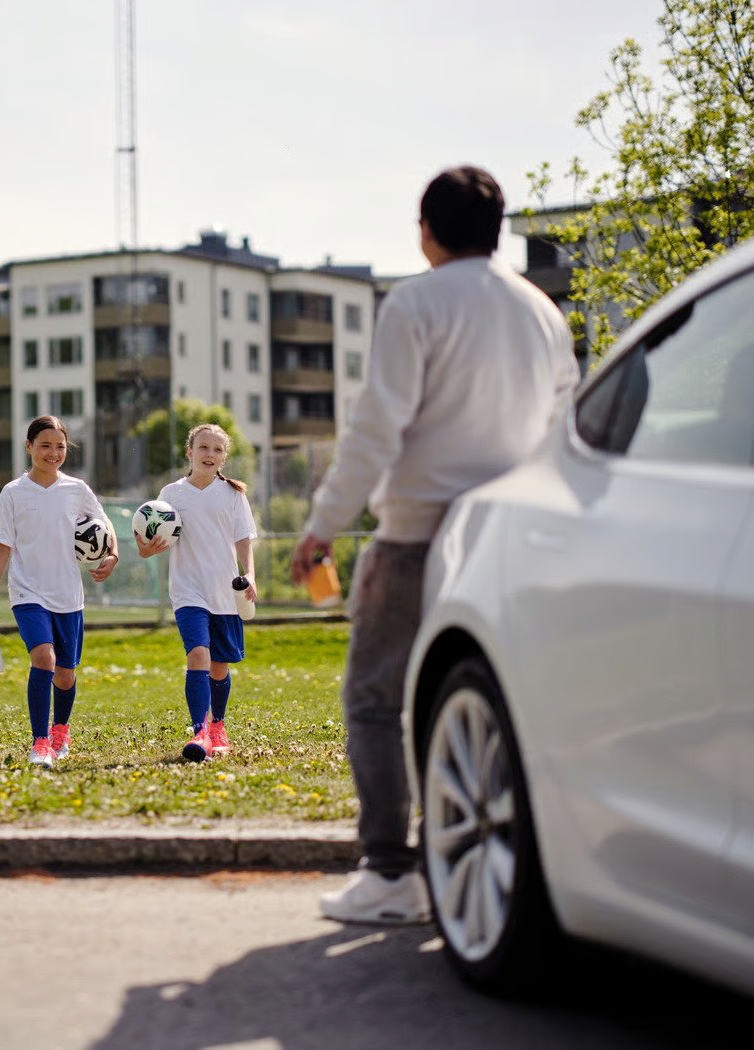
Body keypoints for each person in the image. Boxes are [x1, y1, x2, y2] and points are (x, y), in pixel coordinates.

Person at [291, 166, 578, 924]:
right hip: (506, 538)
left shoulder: (416, 302)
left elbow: (378, 426)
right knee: (482, 706)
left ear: (425, 231)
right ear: (498, 228)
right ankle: (471, 862)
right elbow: (563, 423)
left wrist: (323, 523)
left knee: (376, 701)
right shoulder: (542, 311)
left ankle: (390, 874)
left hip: (416, 537)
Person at [0, 416, 118, 768]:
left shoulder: (77, 489)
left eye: (59, 446)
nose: (53, 453)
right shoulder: (13, 493)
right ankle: (40, 743)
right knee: (44, 659)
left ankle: (60, 731)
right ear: (28, 447)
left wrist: (112, 553)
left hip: (68, 595)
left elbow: (104, 525)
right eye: (45, 445)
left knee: (66, 673)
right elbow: (1, 548)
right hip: (28, 594)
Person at [135, 423, 257, 762]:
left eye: (217, 450)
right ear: (189, 452)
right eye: (203, 448)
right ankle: (200, 731)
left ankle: (217, 725)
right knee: (198, 656)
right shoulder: (171, 495)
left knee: (219, 666)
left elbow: (244, 539)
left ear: (224, 457)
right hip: (188, 592)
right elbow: (151, 542)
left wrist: (249, 575)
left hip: (224, 593)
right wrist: (146, 549)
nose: (210, 455)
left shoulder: (233, 494)